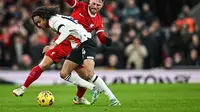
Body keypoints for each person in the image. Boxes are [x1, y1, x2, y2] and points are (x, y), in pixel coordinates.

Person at [12, 5, 101, 104]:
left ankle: (79, 98)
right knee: (44, 64)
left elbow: (66, 30)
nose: (39, 25)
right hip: (62, 45)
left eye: (39, 22)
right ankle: (23, 88)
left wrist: (52, 45)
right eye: (36, 24)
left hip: (73, 46)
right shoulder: (55, 19)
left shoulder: (53, 20)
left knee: (85, 76)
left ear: (44, 16)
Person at [64, 0, 120, 106]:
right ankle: (91, 89)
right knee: (64, 73)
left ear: (102, 5)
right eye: (93, 3)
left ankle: (113, 98)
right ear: (89, 2)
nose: (95, 6)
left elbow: (101, 36)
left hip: (87, 44)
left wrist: (106, 40)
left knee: (89, 74)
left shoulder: (98, 19)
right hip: (76, 46)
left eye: (98, 5)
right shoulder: (80, 6)